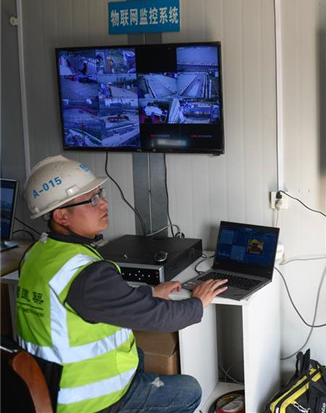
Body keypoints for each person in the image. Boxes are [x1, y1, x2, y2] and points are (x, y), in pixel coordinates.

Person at [15, 155, 229, 413]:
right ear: (61, 216)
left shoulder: (37, 254)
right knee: (188, 391)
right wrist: (198, 302)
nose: (104, 203)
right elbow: (159, 318)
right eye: (92, 200)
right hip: (87, 402)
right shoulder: (84, 273)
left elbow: (96, 302)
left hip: (50, 385)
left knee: (138, 354)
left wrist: (151, 292)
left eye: (100, 194)